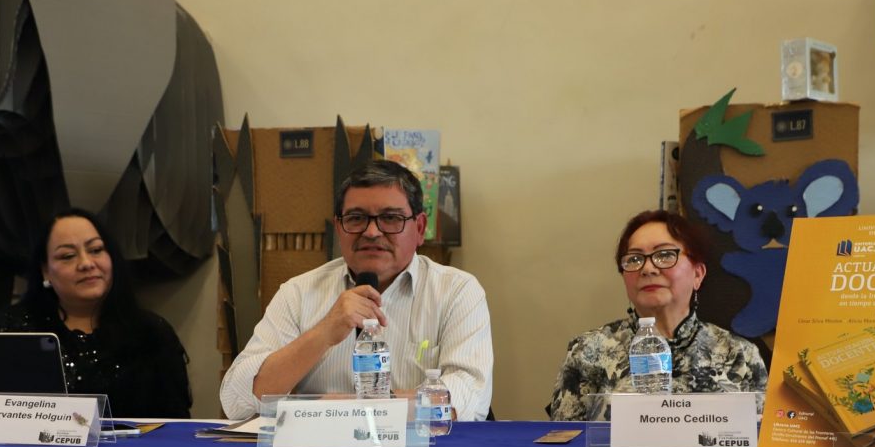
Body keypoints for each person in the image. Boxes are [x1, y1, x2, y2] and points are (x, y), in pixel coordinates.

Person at [220, 159, 493, 420]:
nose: (372, 232)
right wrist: (324, 332)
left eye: (390, 218)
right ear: (339, 228)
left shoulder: (456, 291)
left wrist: (348, 410)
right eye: (356, 218)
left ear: (419, 228)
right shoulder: (298, 293)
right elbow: (236, 401)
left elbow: (469, 396)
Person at [547, 209, 768, 421]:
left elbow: (762, 439)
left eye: (664, 255)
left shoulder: (740, 354)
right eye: (634, 259)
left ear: (697, 274)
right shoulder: (589, 350)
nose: (648, 269)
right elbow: (567, 439)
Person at [0, 208, 192, 418]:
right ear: (46, 271)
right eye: (68, 256)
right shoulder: (17, 330)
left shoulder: (152, 332)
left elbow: (176, 422)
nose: (86, 263)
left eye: (96, 250)